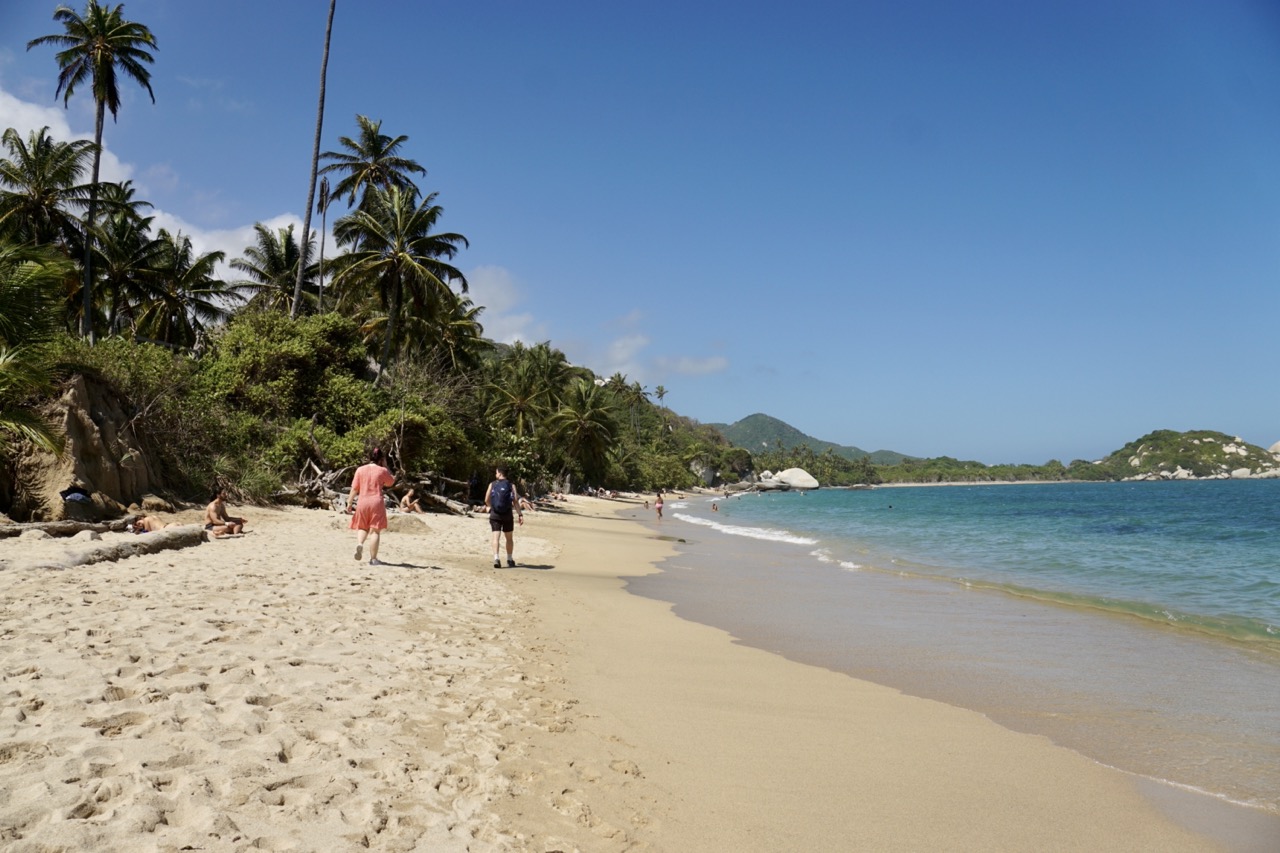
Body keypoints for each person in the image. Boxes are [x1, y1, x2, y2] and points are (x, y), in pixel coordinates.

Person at [348, 447, 395, 566]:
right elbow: (391, 482)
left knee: (362, 527)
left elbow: (354, 488)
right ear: (381, 459)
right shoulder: (382, 470)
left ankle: (360, 544)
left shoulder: (360, 470)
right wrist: (386, 466)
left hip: (362, 502)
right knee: (375, 531)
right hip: (376, 502)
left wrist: (349, 502)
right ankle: (373, 559)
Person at [483, 465, 523, 568]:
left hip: (495, 514)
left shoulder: (492, 484)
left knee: (496, 537)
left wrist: (491, 508)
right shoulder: (511, 485)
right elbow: (515, 502)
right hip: (507, 515)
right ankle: (509, 559)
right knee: (509, 538)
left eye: (496, 472)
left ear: (500, 473)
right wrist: (520, 514)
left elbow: (486, 499)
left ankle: (496, 559)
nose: (495, 474)